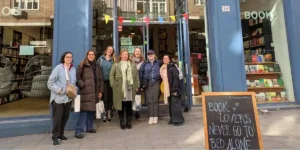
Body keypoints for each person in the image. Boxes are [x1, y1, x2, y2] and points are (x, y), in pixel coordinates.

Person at [48, 51, 77, 146]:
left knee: (65, 117)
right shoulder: (58, 68)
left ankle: (61, 134)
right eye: (67, 57)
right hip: (58, 98)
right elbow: (50, 83)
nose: (69, 58)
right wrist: (59, 90)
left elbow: (74, 83)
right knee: (57, 118)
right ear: (63, 58)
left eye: (70, 57)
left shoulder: (73, 69)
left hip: (68, 98)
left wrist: (74, 90)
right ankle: (55, 137)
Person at [75, 50, 104, 139]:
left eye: (93, 54)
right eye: (89, 54)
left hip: (94, 91)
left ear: (94, 56)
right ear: (87, 55)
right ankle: (78, 131)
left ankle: (89, 127)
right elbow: (77, 77)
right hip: (86, 91)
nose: (91, 56)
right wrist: (82, 85)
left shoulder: (96, 66)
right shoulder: (82, 65)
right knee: (84, 112)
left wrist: (100, 91)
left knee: (91, 111)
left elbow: (100, 79)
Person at [110, 50, 140, 130]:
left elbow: (136, 75)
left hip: (130, 87)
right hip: (120, 87)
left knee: (129, 105)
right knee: (121, 105)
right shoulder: (116, 64)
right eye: (123, 54)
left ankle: (129, 122)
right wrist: (113, 85)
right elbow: (111, 75)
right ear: (120, 55)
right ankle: (122, 122)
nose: (124, 56)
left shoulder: (132, 64)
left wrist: (137, 85)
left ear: (128, 55)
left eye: (126, 54)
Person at [162, 55, 184, 126]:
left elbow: (176, 79)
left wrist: (174, 89)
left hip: (175, 89)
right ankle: (173, 119)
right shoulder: (166, 67)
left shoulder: (172, 68)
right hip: (169, 89)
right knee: (172, 104)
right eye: (164, 58)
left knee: (176, 105)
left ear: (169, 60)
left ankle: (178, 120)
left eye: (167, 58)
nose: (165, 59)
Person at [140, 50, 161, 125]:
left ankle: (155, 116)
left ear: (154, 55)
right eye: (148, 55)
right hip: (147, 83)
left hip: (156, 82)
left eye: (151, 54)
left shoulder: (158, 63)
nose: (150, 56)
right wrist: (141, 85)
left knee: (155, 100)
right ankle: (151, 116)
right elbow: (141, 74)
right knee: (149, 101)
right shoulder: (144, 64)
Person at [97, 46, 115, 124]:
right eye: (109, 49)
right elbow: (96, 69)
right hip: (103, 82)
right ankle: (104, 113)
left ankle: (109, 113)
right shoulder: (101, 59)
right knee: (104, 98)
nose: (110, 51)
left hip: (111, 82)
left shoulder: (114, 60)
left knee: (110, 98)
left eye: (111, 50)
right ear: (106, 50)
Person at [131, 47, 145, 120]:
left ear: (141, 52)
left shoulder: (143, 61)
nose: (137, 53)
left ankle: (137, 111)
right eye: (136, 51)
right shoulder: (130, 60)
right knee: (131, 97)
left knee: (137, 97)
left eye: (139, 51)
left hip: (139, 81)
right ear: (134, 52)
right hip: (131, 81)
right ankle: (131, 111)